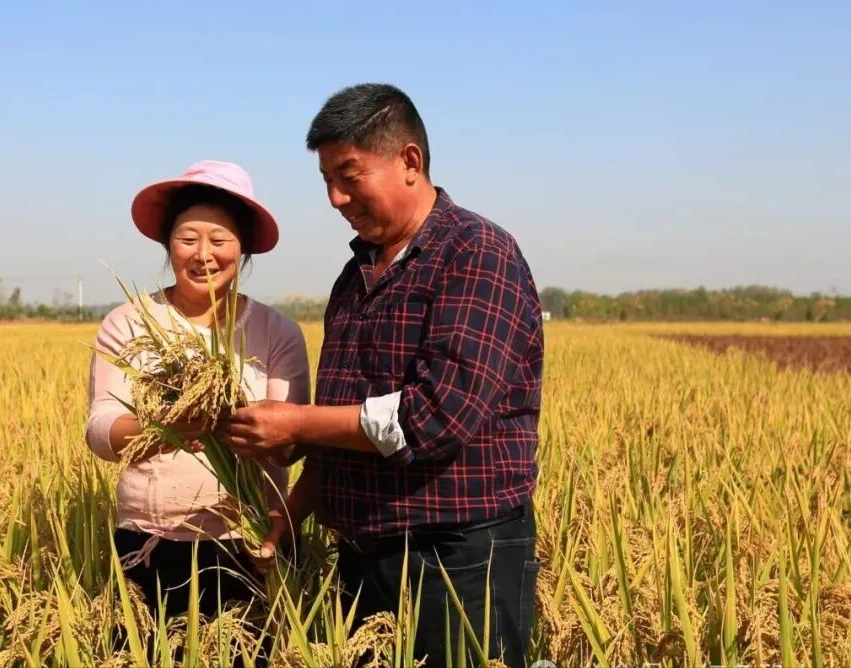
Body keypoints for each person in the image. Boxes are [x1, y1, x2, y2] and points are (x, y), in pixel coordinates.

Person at [216, 84, 544, 668]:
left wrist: (296, 420)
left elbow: (433, 418)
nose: (336, 198)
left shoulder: (476, 253)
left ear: (410, 162)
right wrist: (291, 512)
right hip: (364, 555)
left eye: (350, 175)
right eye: (326, 181)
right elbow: (340, 424)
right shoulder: (354, 276)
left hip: (458, 556)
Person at [85, 160, 310, 622]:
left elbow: (289, 448)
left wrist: (247, 426)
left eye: (219, 240)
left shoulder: (277, 332)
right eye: (187, 239)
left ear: (242, 248)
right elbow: (100, 429)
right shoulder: (128, 323)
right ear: (169, 246)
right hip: (149, 541)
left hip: (248, 541)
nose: (202, 253)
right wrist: (162, 427)